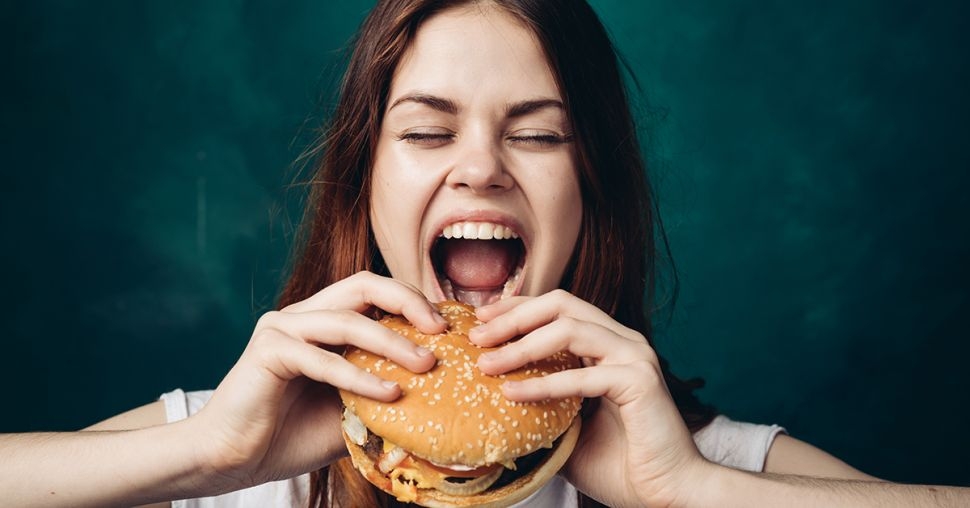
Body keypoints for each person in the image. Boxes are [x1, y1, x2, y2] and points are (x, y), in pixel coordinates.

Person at [2, 0, 967, 506]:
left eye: (539, 135)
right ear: (363, 179)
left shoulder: (703, 467)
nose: (482, 169)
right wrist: (205, 455)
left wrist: (692, 495)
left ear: (592, 189)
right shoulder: (228, 452)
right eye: (427, 132)